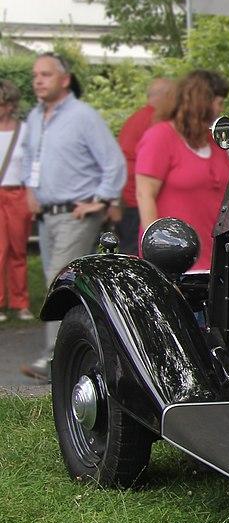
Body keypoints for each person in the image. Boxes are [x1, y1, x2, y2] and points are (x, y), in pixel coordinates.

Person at [20, 53, 125, 381]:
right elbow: (29, 158)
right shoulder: (35, 117)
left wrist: (100, 200)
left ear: (65, 80)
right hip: (46, 215)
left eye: (46, 74)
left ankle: (56, 358)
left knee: (58, 278)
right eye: (35, 75)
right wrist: (30, 190)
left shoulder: (83, 116)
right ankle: (83, 350)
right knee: (61, 283)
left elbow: (113, 162)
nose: (38, 80)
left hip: (76, 215)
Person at [135, 70, 229, 271]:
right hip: (173, 259)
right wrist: (158, 249)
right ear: (202, 103)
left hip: (214, 257)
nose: (221, 110)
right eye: (219, 103)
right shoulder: (160, 137)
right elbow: (145, 194)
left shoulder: (213, 143)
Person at [115, 78, 176, 254]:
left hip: (128, 197)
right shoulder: (156, 122)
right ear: (167, 96)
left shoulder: (136, 118)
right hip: (139, 202)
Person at [0, 80, 34, 322]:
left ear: (11, 104)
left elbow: (34, 164)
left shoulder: (25, 131)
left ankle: (21, 303)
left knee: (18, 250)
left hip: (18, 194)